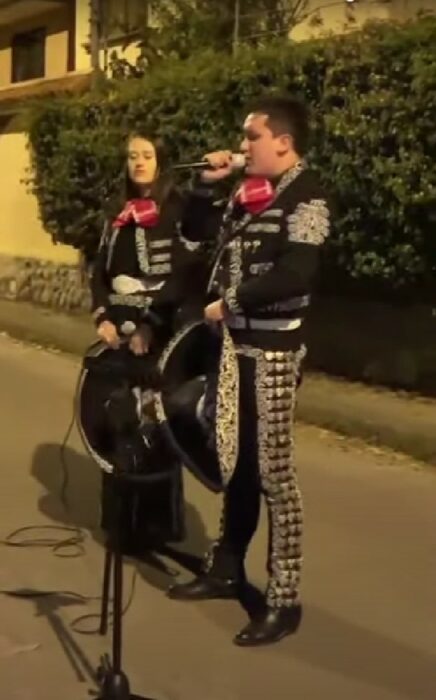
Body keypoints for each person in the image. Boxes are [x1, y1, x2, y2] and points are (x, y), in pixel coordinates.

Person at [166, 95, 332, 646]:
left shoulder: (307, 198)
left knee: (274, 475)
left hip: (275, 353)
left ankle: (284, 600)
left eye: (251, 137)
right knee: (234, 462)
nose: (242, 147)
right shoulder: (246, 196)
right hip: (231, 349)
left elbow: (296, 274)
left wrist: (231, 302)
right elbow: (191, 244)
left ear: (283, 142)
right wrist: (206, 188)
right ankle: (226, 568)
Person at [84, 131, 203, 555]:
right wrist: (103, 317)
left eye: (146, 155)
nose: (138, 162)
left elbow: (186, 275)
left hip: (161, 335)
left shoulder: (179, 209)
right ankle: (122, 527)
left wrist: (151, 324)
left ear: (161, 160)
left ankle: (156, 529)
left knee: (155, 428)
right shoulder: (116, 211)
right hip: (118, 333)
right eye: (131, 156)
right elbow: (98, 270)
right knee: (118, 424)